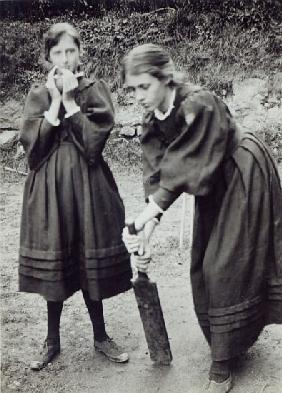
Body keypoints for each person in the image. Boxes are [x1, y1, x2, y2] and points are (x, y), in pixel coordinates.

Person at [121, 44, 282, 392]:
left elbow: (187, 166)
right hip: (211, 185)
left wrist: (149, 214)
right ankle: (230, 343)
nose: (138, 96)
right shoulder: (152, 120)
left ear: (164, 77)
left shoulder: (199, 104)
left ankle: (221, 366)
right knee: (203, 266)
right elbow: (160, 178)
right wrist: (145, 231)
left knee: (225, 266)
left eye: (144, 86)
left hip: (241, 173)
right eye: (132, 89)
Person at [19, 22, 132, 370]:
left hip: (89, 187)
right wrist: (54, 101)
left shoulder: (94, 90)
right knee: (57, 256)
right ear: (47, 57)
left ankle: (101, 336)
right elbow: (34, 153)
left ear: (80, 52)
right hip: (49, 194)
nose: (65, 59)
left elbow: (94, 145)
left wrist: (70, 101)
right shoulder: (37, 95)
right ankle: (51, 340)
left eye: (71, 51)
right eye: (57, 52)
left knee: (88, 257)